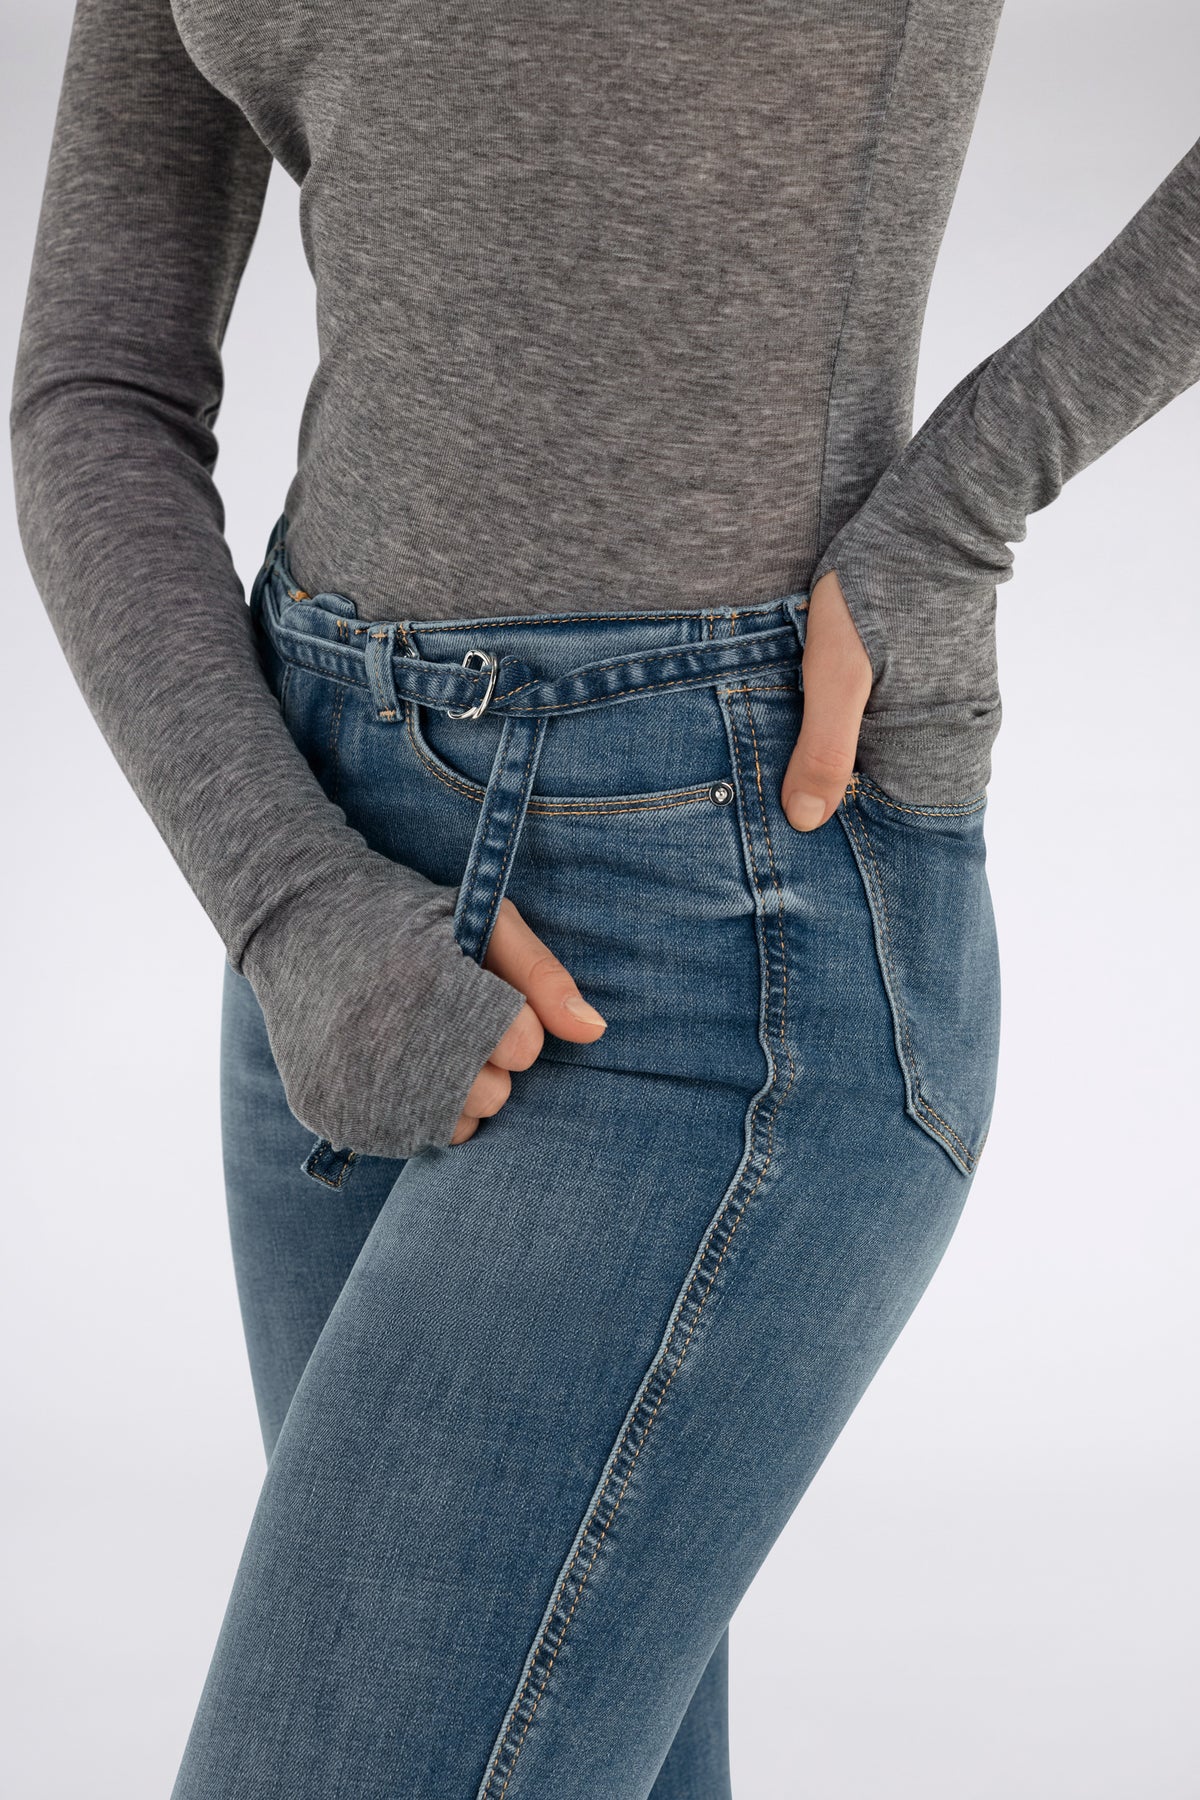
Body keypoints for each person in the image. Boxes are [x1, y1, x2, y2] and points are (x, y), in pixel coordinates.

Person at [9, 0, 1199, 1793]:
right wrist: (291, 901)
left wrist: (962, 505)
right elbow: (99, 379)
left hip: (718, 911)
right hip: (318, 880)